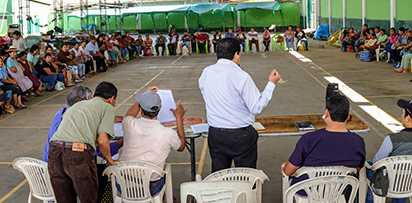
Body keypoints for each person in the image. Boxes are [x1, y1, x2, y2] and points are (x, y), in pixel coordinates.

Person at [199, 38, 280, 172]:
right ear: (236, 54)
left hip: (216, 134)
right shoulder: (241, 76)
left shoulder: (206, 72)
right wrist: (271, 83)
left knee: (219, 175)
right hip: (240, 136)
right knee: (245, 177)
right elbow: (256, 107)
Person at [48, 82, 118, 203]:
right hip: (78, 153)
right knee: (88, 198)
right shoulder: (107, 107)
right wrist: (109, 160)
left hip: (54, 151)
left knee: (64, 199)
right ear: (112, 98)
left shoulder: (77, 105)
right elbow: (102, 140)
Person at [282, 95, 365, 194]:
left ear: (326, 113)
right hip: (337, 193)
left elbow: (288, 171)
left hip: (307, 193)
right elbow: (357, 168)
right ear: (348, 116)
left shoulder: (309, 139)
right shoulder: (358, 142)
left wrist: (286, 165)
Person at [120, 88, 186, 196]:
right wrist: (179, 117)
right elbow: (181, 146)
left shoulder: (129, 123)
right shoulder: (168, 133)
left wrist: (143, 99)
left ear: (141, 110)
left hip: (123, 183)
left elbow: (130, 113)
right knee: (164, 174)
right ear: (159, 109)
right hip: (150, 186)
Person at [43, 85, 93, 162]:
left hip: (53, 159)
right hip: (59, 162)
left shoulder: (62, 112)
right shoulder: (75, 118)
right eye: (90, 102)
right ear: (80, 102)